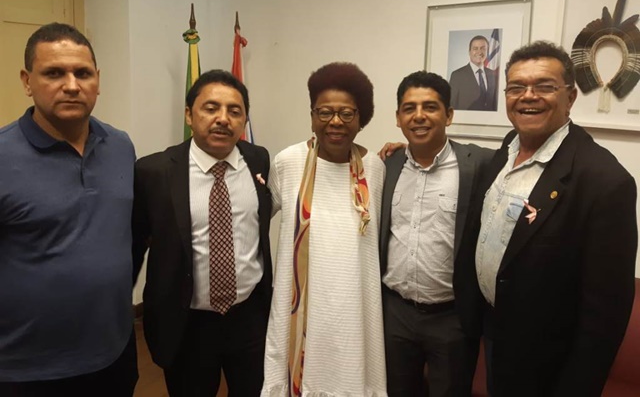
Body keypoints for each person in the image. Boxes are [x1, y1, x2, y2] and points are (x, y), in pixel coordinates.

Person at [455, 41, 638, 396]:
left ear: (570, 97)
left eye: (544, 86)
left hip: (549, 358)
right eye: (517, 87)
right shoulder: (507, 148)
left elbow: (606, 314)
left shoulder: (604, 181)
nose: (528, 96)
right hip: (496, 334)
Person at [0, 23, 138, 396]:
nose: (72, 85)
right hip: (26, 370)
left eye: (83, 73)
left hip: (113, 354)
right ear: (27, 81)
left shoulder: (120, 146)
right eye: (54, 73)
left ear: (98, 80)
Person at [132, 69, 272, 396]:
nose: (223, 119)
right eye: (211, 108)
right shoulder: (153, 171)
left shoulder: (258, 159)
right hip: (186, 323)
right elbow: (135, 244)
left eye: (234, 111)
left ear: (244, 119)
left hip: (250, 317)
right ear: (189, 115)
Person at [261, 62, 387, 396]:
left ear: (361, 118)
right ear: (312, 115)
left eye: (346, 113)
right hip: (302, 300)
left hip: (355, 303)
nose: (335, 122)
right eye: (325, 112)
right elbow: (256, 219)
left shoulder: (375, 168)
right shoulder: (288, 162)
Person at [380, 71, 493, 397]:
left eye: (430, 107)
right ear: (398, 118)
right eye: (409, 108)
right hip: (394, 314)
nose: (419, 116)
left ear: (449, 115)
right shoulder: (386, 165)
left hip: (451, 319)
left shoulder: (479, 164)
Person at [449, 35, 498, 111]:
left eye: (483, 48)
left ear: (487, 52)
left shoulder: (492, 75)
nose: (479, 52)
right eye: (475, 48)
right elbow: (451, 105)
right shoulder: (457, 75)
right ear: (469, 52)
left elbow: (494, 104)